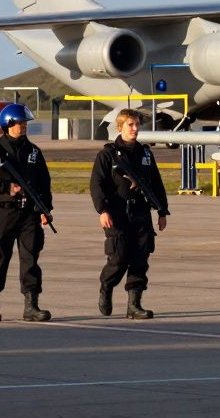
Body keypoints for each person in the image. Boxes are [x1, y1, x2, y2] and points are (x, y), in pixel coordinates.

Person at [0, 103, 53, 322]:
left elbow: (44, 183)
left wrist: (46, 209)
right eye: (19, 123)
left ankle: (31, 306)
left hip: (29, 215)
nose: (23, 126)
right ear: (8, 124)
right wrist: (6, 188)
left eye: (25, 123)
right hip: (3, 213)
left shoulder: (34, 152)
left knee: (30, 259)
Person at [90, 109, 170, 318]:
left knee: (140, 259)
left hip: (141, 213)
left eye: (136, 125)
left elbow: (155, 183)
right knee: (119, 258)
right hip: (117, 214)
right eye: (130, 125)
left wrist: (162, 210)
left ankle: (134, 305)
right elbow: (96, 185)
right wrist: (103, 210)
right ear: (120, 127)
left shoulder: (145, 153)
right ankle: (106, 288)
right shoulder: (107, 154)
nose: (135, 129)